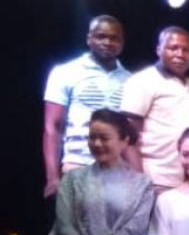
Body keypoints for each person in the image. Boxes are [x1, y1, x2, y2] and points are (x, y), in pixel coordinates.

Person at [42, 15, 130, 199]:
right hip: (78, 165)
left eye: (115, 38)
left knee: (112, 228)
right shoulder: (65, 72)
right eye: (101, 36)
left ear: (122, 43)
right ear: (89, 39)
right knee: (74, 228)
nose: (107, 42)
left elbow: (132, 134)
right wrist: (52, 177)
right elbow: (53, 126)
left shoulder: (132, 80)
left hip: (117, 172)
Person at [120, 26, 189, 191]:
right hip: (152, 181)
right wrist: (139, 181)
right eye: (173, 48)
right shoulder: (142, 81)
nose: (180, 54)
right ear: (159, 49)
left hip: (187, 183)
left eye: (186, 50)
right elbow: (127, 138)